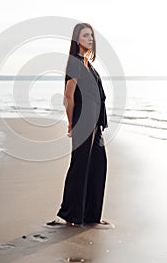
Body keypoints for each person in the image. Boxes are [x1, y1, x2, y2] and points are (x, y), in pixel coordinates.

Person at [45, 23, 114, 229]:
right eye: (86, 35)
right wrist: (71, 122)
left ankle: (92, 215)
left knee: (98, 166)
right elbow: (68, 95)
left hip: (95, 121)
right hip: (83, 122)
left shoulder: (88, 64)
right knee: (80, 168)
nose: (90, 39)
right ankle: (72, 215)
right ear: (77, 40)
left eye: (91, 36)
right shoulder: (75, 62)